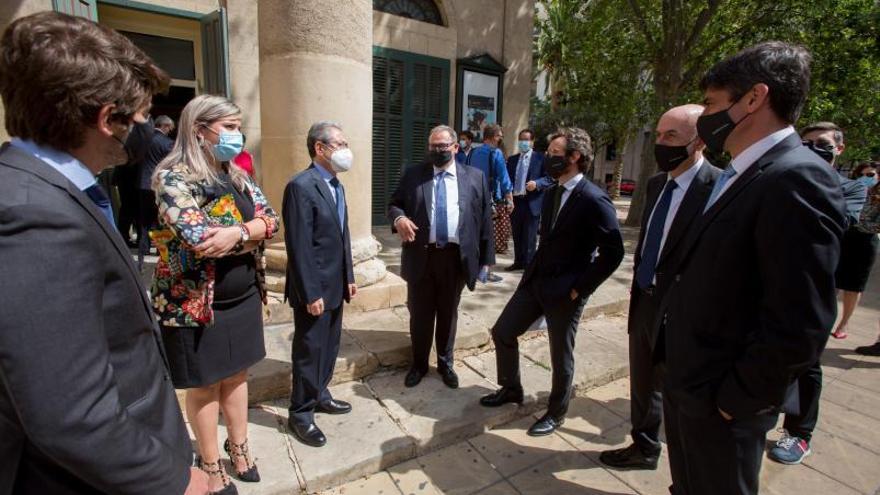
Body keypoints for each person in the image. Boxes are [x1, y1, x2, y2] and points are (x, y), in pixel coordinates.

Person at [0, 12, 209, 495]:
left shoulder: (54, 190)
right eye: (139, 118)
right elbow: (68, 412)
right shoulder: (31, 215)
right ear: (107, 119)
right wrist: (173, 479)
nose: (145, 131)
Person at [661, 42, 846, 495]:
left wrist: (736, 402)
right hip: (692, 385)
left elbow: (801, 322)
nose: (705, 115)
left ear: (753, 98)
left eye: (711, 103)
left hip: (724, 404)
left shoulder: (798, 177)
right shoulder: (742, 170)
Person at [152, 94, 279, 494]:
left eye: (238, 126)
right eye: (228, 127)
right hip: (194, 305)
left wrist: (239, 233)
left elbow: (271, 220)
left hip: (241, 299)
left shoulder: (237, 175)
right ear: (198, 130)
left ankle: (238, 448)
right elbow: (199, 239)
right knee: (205, 385)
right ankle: (210, 463)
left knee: (237, 376)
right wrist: (248, 231)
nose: (236, 135)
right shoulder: (171, 178)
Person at [480, 127, 625, 436]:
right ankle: (511, 388)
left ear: (575, 157)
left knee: (561, 355)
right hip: (536, 283)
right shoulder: (552, 191)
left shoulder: (594, 199)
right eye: (547, 152)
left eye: (556, 153)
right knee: (503, 331)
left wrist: (580, 288)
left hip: (567, 291)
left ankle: (556, 412)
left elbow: (613, 253)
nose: (548, 157)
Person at [599, 105, 720, 470]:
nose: (662, 144)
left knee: (682, 397)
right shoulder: (655, 184)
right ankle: (644, 447)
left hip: (686, 313)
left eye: (672, 137)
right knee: (642, 385)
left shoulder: (720, 187)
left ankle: (691, 473)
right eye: (659, 135)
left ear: (698, 141)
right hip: (647, 301)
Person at [388, 125, 495, 389]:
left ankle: (446, 363)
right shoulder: (414, 174)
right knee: (420, 314)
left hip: (455, 259)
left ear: (456, 148)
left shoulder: (475, 177)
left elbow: (484, 220)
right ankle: (419, 364)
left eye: (443, 146)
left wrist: (486, 259)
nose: (437, 150)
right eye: (433, 146)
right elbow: (393, 203)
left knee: (448, 313)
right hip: (421, 256)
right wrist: (399, 218)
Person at [283, 121, 357, 448]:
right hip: (314, 289)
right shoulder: (301, 186)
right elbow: (298, 245)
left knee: (329, 347)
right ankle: (300, 413)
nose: (345, 149)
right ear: (320, 148)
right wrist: (310, 292)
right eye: (339, 144)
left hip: (336, 285)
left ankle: (321, 393)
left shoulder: (336, 185)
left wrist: (350, 277)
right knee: (309, 351)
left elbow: (343, 236)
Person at [466, 124, 512, 281]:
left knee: (474, 233)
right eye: (500, 136)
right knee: (488, 236)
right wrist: (510, 199)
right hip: (490, 199)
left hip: (472, 197)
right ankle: (485, 272)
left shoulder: (472, 152)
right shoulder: (496, 153)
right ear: (493, 137)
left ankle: (472, 267)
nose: (500, 138)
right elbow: (503, 178)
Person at [505, 129, 552, 271]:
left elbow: (549, 178)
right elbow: (507, 180)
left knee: (530, 236)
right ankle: (518, 262)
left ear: (532, 141)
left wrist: (537, 183)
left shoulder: (541, 159)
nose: (523, 143)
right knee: (517, 234)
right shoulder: (512, 160)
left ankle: (529, 266)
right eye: (521, 139)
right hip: (516, 202)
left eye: (526, 140)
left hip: (532, 202)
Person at [136, 114, 174, 268]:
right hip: (157, 184)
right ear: (164, 126)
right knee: (160, 218)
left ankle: (143, 247)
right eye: (170, 128)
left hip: (142, 183)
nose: (170, 131)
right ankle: (160, 249)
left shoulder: (143, 140)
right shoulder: (167, 143)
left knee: (144, 218)